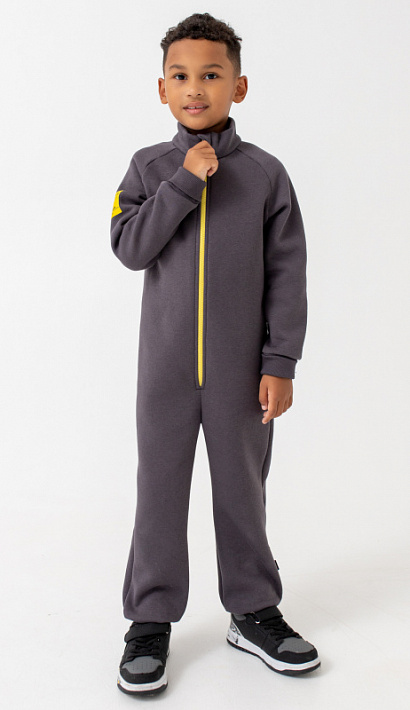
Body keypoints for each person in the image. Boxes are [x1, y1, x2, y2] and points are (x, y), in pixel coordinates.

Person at [110, 12, 320, 697]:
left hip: (241, 375)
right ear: (162, 89)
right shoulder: (149, 168)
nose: (195, 88)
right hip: (165, 374)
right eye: (180, 76)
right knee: (159, 494)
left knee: (242, 493)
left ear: (239, 86)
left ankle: (253, 611)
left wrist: (280, 362)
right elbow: (129, 246)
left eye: (210, 75)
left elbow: (288, 274)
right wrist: (185, 181)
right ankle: (149, 620)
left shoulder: (264, 174)